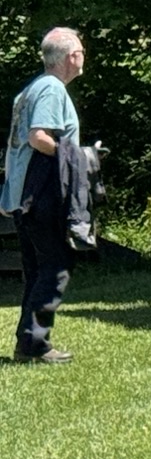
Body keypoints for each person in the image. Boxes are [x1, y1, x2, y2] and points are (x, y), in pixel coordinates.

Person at [4, 28, 86, 364]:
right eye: (81, 50)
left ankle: (28, 343)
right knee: (55, 267)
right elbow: (39, 138)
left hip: (21, 195)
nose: (83, 56)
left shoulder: (30, 90)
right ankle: (34, 344)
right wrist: (76, 158)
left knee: (37, 270)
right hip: (40, 194)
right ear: (71, 57)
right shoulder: (51, 89)